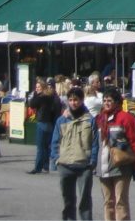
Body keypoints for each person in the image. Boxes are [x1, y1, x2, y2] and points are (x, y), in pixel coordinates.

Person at [50, 86, 99, 221]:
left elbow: (95, 143)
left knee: (85, 201)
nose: (73, 102)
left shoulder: (90, 120)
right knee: (68, 200)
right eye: (70, 100)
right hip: (65, 165)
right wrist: (56, 159)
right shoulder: (61, 120)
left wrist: (93, 162)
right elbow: (55, 141)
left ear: (82, 100)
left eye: (76, 100)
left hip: (84, 165)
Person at [95, 88, 135, 221]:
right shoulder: (99, 119)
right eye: (104, 100)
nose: (106, 103)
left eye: (109, 100)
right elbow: (95, 144)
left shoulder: (126, 118)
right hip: (103, 168)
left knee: (120, 202)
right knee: (108, 203)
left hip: (121, 168)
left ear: (117, 102)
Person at [28, 77, 62, 173]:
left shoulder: (41, 97)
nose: (37, 89)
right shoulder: (51, 96)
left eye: (38, 87)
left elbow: (32, 104)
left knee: (40, 146)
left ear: (42, 87)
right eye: (36, 87)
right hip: (50, 123)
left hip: (42, 121)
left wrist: (35, 94)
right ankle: (46, 166)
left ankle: (38, 167)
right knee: (46, 145)